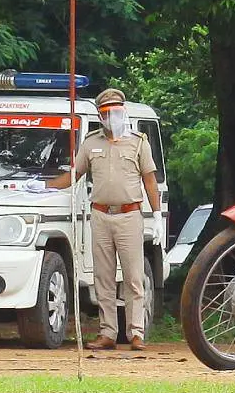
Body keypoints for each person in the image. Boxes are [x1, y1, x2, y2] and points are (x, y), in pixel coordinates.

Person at [45, 88, 165, 350]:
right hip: (100, 214)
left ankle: (136, 333)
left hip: (129, 215)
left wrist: (156, 216)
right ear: (100, 116)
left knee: (134, 277)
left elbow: (150, 180)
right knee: (104, 277)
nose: (113, 117)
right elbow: (74, 174)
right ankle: (108, 332)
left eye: (117, 111)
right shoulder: (90, 142)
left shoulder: (138, 142)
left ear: (125, 112)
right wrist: (46, 187)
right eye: (107, 113)